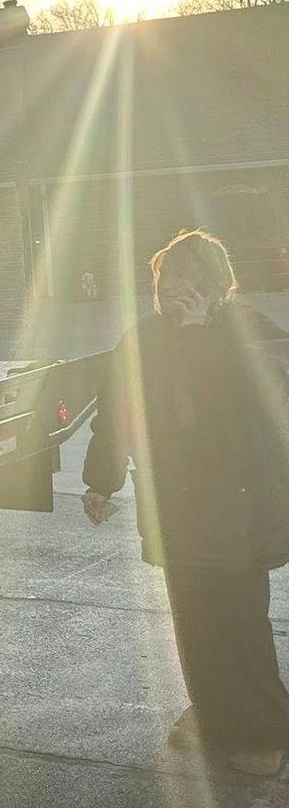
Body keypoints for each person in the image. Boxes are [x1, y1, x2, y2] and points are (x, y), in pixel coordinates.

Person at [83, 228, 289, 777]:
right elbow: (117, 412)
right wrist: (101, 480)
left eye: (190, 278)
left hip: (240, 509)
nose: (176, 288)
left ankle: (265, 730)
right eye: (167, 277)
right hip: (178, 508)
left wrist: (199, 337)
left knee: (240, 620)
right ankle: (215, 716)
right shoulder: (144, 338)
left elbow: (258, 398)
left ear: (216, 284)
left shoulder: (250, 331)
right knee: (194, 621)